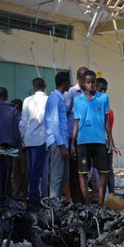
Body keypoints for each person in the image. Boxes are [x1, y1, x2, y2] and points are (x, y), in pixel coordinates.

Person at [71, 70, 115, 206]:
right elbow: (77, 122)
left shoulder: (103, 98)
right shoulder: (78, 100)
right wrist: (73, 142)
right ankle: (88, 205)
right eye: (88, 82)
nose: (91, 85)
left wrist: (111, 141)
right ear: (83, 84)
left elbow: (106, 120)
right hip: (83, 141)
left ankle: (100, 205)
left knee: (103, 173)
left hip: (100, 141)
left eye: (93, 82)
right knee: (82, 173)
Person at [20, 77, 48, 210]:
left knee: (32, 171)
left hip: (29, 139)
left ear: (33, 87)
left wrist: (23, 138)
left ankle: (33, 198)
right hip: (41, 139)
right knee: (38, 172)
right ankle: (34, 200)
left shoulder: (27, 100)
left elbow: (23, 122)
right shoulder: (47, 100)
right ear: (44, 86)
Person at [45, 71, 71, 200]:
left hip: (62, 143)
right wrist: (62, 146)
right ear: (65, 83)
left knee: (64, 176)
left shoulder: (59, 98)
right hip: (57, 143)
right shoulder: (55, 99)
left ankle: (58, 203)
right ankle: (53, 206)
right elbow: (55, 125)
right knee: (56, 176)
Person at [0, 87, 21, 201]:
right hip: (9, 148)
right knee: (8, 176)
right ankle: (8, 202)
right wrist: (16, 145)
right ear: (7, 97)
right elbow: (17, 130)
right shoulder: (13, 110)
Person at [65, 66, 88, 203]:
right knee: (74, 172)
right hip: (73, 139)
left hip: (86, 139)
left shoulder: (90, 93)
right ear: (78, 78)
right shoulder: (72, 93)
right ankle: (77, 200)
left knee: (84, 170)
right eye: (83, 78)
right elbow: (65, 114)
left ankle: (84, 199)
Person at [94, 77, 120, 193]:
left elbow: (109, 130)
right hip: (90, 143)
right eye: (100, 89)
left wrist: (111, 144)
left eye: (105, 90)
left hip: (103, 143)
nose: (103, 93)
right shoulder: (85, 105)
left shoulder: (109, 112)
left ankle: (111, 194)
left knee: (108, 170)